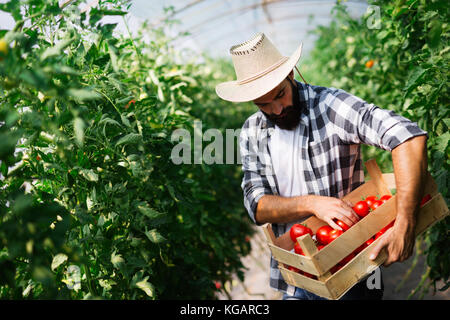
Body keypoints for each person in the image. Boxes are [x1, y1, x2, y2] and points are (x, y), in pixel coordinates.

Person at [215, 32, 428, 300]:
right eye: (263, 104)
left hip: (353, 267)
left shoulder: (330, 107)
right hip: (296, 279)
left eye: (280, 95)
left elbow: (408, 136)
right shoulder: (252, 131)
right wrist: (312, 203)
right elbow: (256, 205)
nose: (277, 109)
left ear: (290, 73)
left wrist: (405, 223)